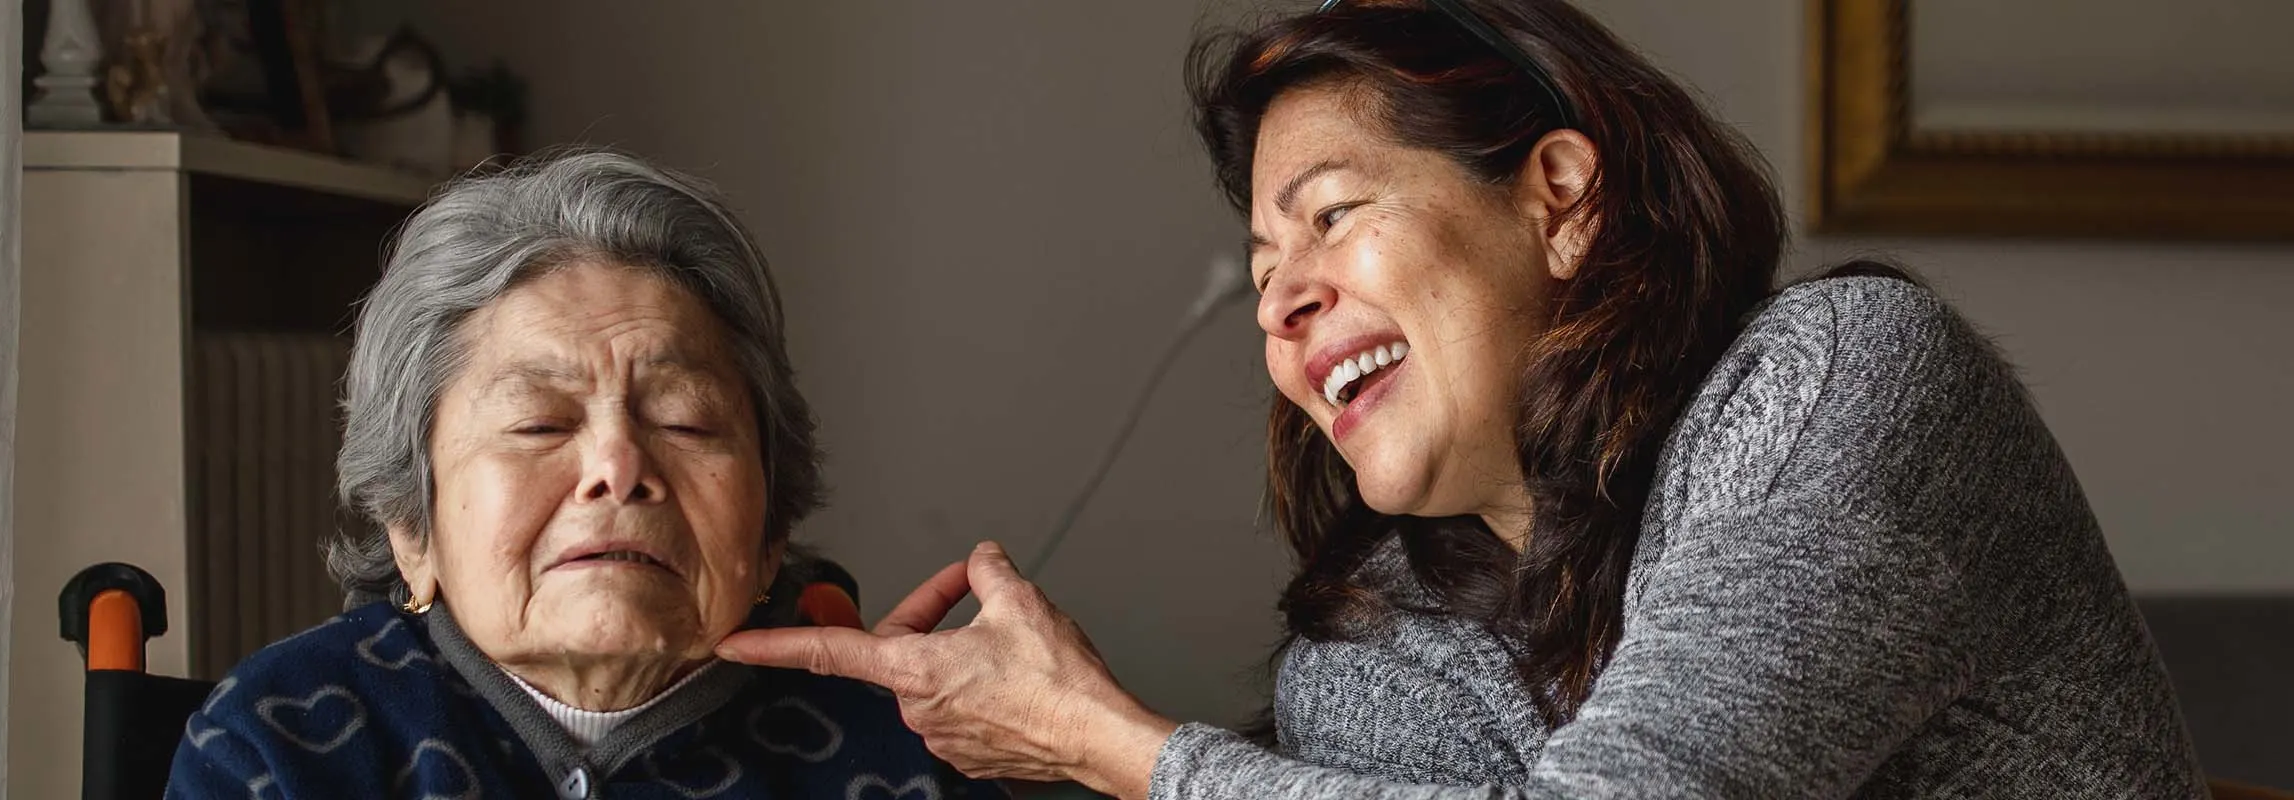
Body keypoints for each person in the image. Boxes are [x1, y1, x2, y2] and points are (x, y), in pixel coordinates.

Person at [714, 1, 2209, 797]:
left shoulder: (1844, 387)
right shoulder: (1387, 648)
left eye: (1334, 211)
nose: (1280, 299)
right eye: (1259, 263)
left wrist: (1113, 746)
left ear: (1558, 197)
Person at [167, 151, 1005, 800]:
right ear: (410, 526)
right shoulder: (283, 748)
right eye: (539, 423)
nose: (617, 468)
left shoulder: (906, 760)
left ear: (771, 526)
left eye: (685, 421)